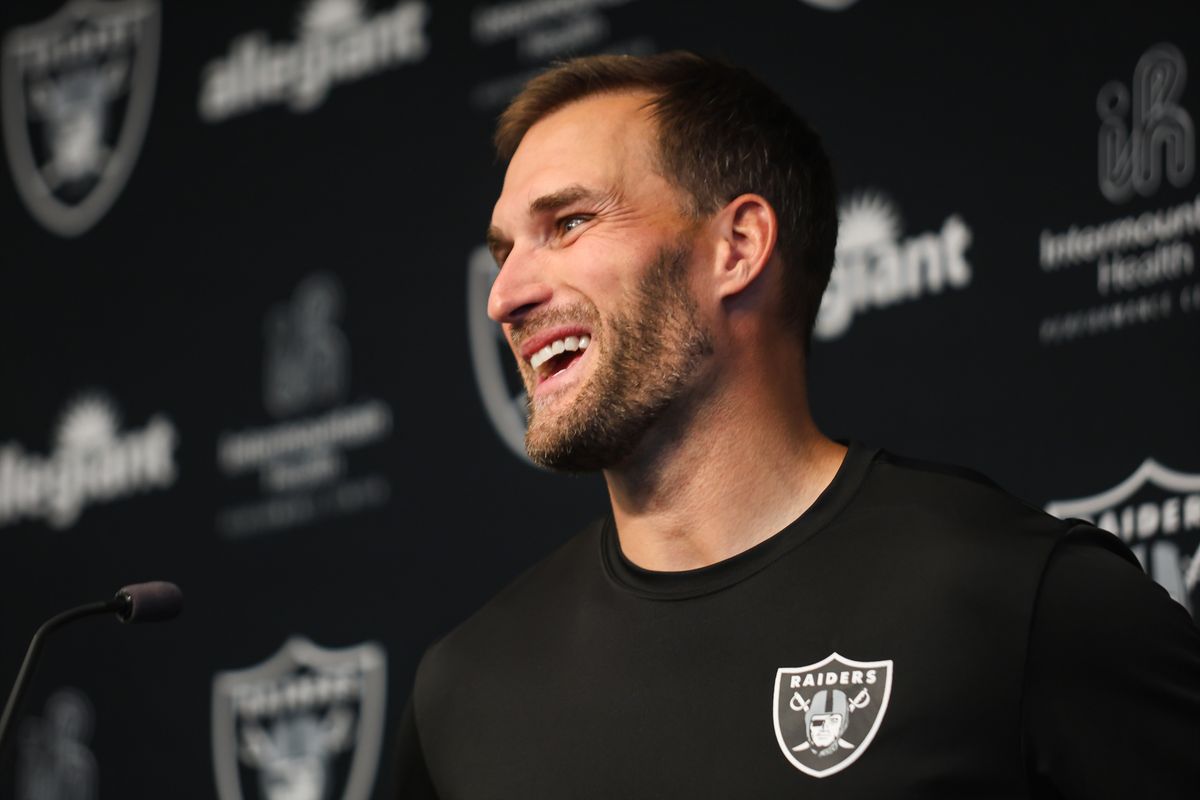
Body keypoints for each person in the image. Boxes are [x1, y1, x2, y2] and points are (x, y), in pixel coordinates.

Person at [395, 51, 1200, 798]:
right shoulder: (463, 692)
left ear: (737, 247)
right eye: (504, 253)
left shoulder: (1022, 602)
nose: (504, 298)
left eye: (567, 223)